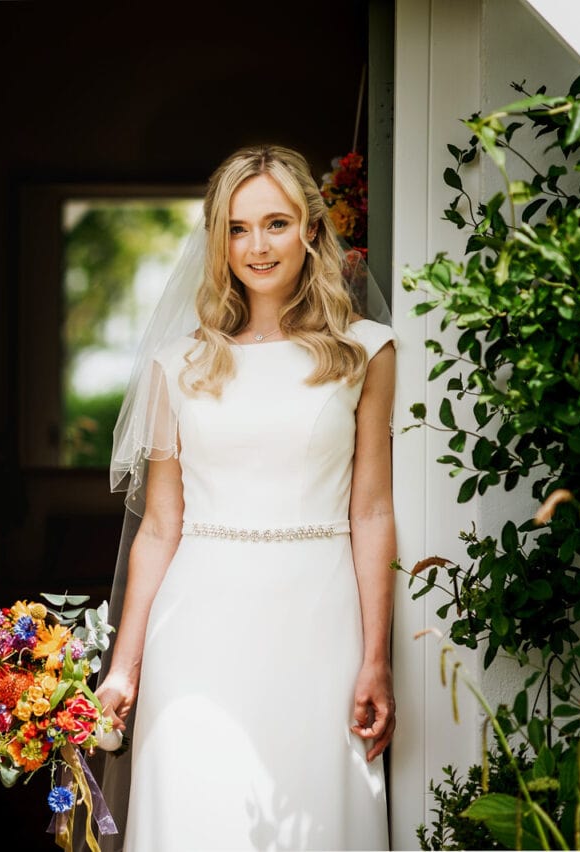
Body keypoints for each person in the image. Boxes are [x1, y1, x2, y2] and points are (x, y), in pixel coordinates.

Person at [94, 144, 396, 851]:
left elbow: (373, 511)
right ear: (218, 240)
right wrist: (123, 669)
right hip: (197, 630)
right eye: (237, 228)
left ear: (312, 230)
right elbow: (160, 528)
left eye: (276, 224)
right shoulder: (180, 366)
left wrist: (375, 657)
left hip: (320, 626)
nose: (256, 246)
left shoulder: (365, 352)